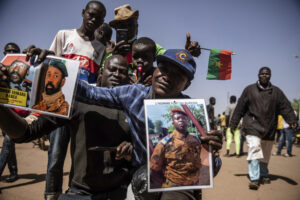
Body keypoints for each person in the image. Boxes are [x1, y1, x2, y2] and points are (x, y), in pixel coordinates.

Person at [75, 48, 223, 200]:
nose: (166, 77)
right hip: (142, 181)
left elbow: (212, 169)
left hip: (177, 182)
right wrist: (56, 69)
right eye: (163, 69)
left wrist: (211, 152)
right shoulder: (133, 94)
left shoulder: (193, 113)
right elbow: (90, 93)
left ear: (186, 85)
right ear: (155, 70)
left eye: (177, 75)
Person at [0, 55, 134, 200]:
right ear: (100, 74)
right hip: (82, 193)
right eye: (112, 69)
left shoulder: (133, 108)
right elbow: (27, 131)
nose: (117, 75)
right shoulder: (76, 101)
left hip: (121, 192)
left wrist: (131, 149)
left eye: (122, 72)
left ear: (128, 78)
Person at [229, 66, 298, 190]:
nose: (264, 76)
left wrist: (292, 120)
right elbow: (240, 108)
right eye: (262, 74)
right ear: (258, 75)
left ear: (270, 76)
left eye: (267, 74)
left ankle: (264, 173)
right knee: (254, 149)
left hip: (269, 127)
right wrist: (233, 124)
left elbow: (285, 107)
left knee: (265, 154)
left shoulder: (277, 92)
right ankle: (254, 178)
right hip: (252, 125)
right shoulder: (249, 90)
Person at [102, 4, 200, 82]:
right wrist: (115, 57)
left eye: (130, 24)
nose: (127, 28)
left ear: (137, 26)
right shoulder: (110, 51)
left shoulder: (149, 46)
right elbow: (102, 76)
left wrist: (185, 53)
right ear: (116, 29)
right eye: (122, 25)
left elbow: (171, 61)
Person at [150, 109, 202, 188]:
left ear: (187, 122)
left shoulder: (196, 140)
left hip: (195, 183)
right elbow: (154, 168)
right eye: (177, 118)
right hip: (174, 185)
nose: (181, 120)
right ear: (173, 123)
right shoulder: (164, 143)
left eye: (183, 118)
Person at [0, 42, 26, 183]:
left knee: (7, 144)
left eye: (14, 51)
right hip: (6, 113)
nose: (10, 52)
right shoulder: (1, 69)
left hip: (21, 114)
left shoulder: (25, 68)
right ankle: (14, 172)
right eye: (8, 51)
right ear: (4, 53)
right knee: (9, 145)